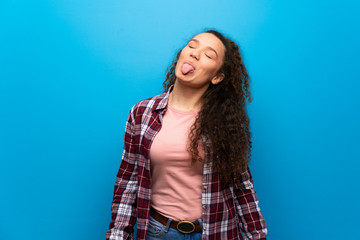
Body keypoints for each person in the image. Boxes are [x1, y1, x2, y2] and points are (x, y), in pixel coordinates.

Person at [106, 30, 267, 240]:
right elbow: (127, 182)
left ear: (217, 77)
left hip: (216, 232)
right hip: (159, 232)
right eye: (192, 46)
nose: (195, 54)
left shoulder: (224, 122)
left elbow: (242, 186)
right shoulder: (142, 112)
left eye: (209, 55)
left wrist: (256, 235)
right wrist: (118, 235)